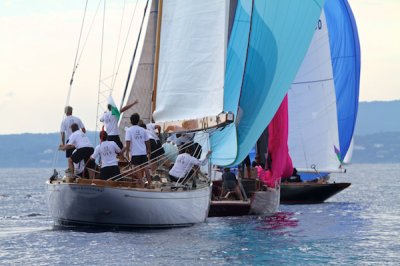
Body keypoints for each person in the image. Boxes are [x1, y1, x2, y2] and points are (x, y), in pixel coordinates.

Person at [125, 113, 152, 186]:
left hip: (135, 153)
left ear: (131, 121)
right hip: (143, 152)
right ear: (138, 121)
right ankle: (150, 183)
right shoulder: (143, 130)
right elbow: (147, 141)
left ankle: (142, 183)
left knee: (137, 168)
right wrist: (149, 150)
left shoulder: (129, 130)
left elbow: (128, 141)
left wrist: (127, 152)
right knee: (146, 167)